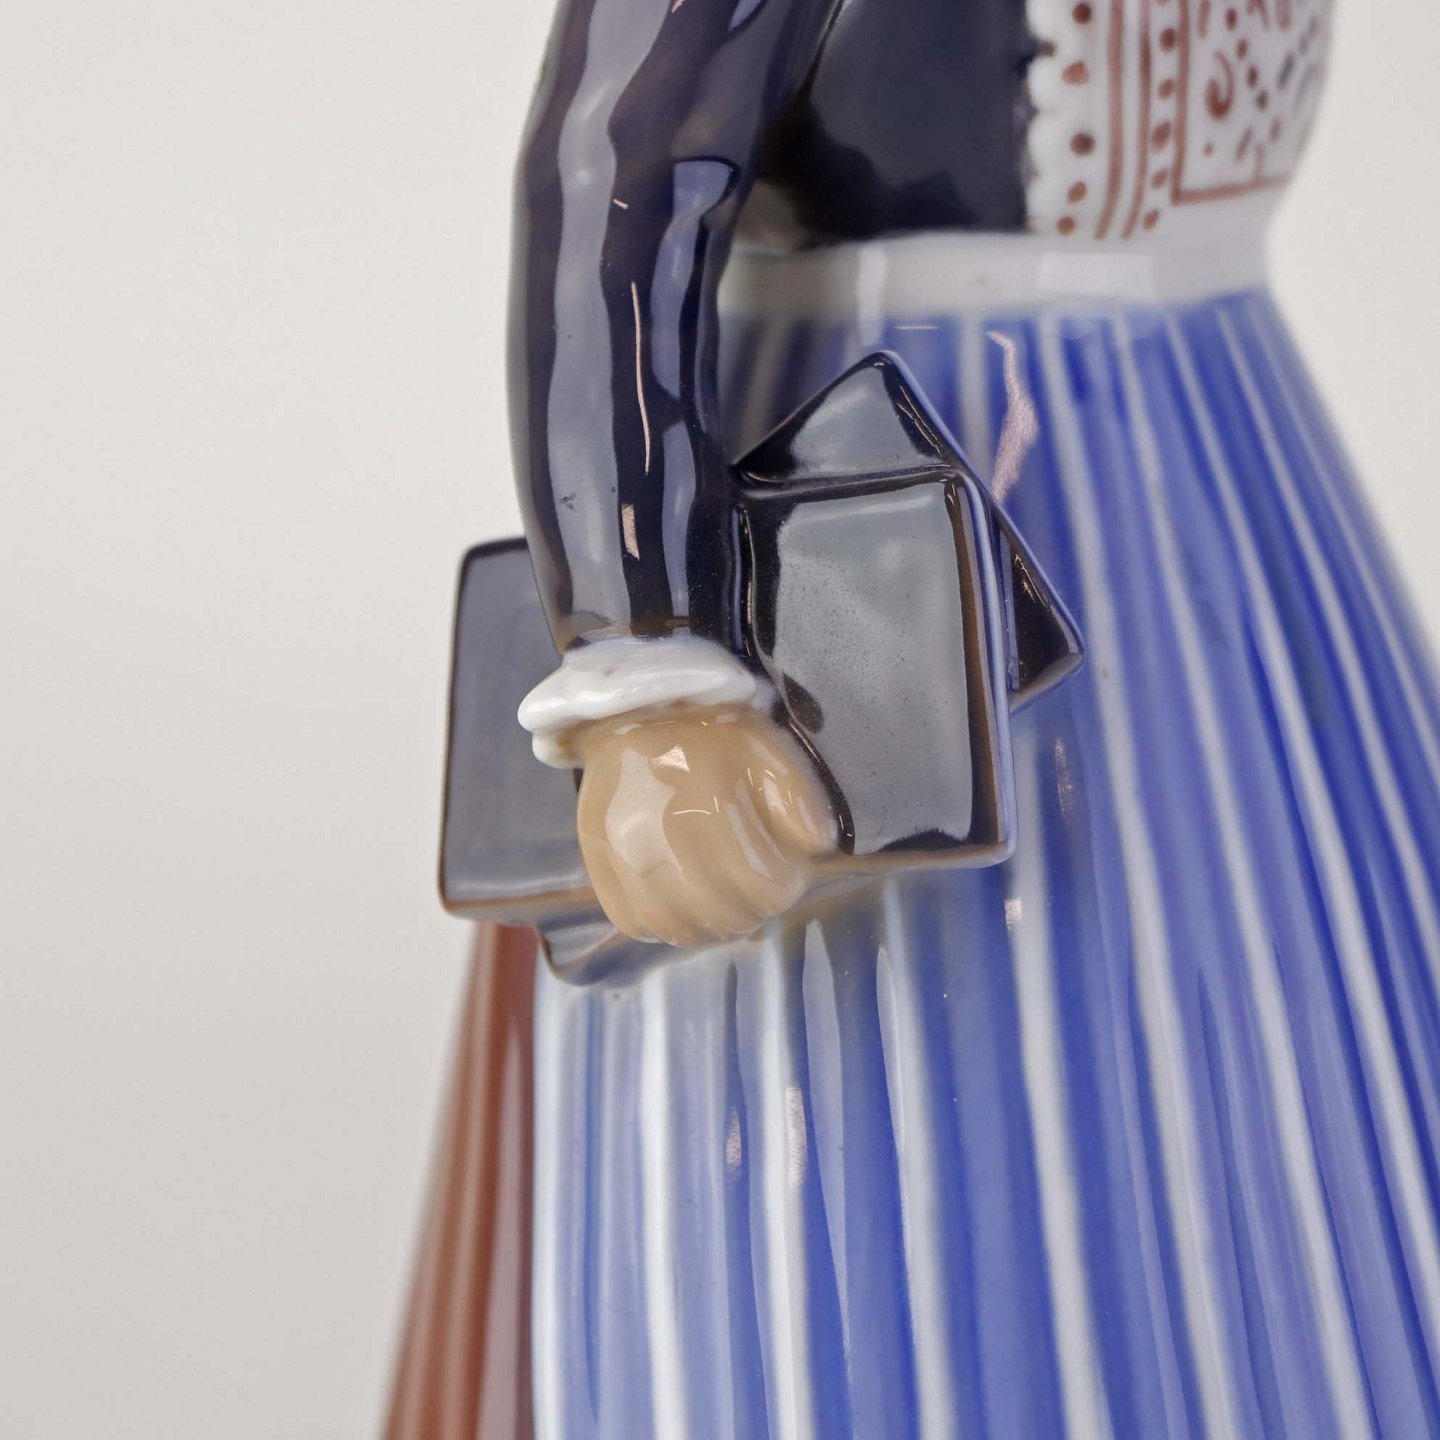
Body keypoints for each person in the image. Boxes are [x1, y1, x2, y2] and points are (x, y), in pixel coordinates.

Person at [396, 1, 1440, 1434]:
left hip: (1214, 479)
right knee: (892, 1155)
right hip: (892, 517)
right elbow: (614, 178)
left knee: (1292, 1048)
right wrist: (651, 664)